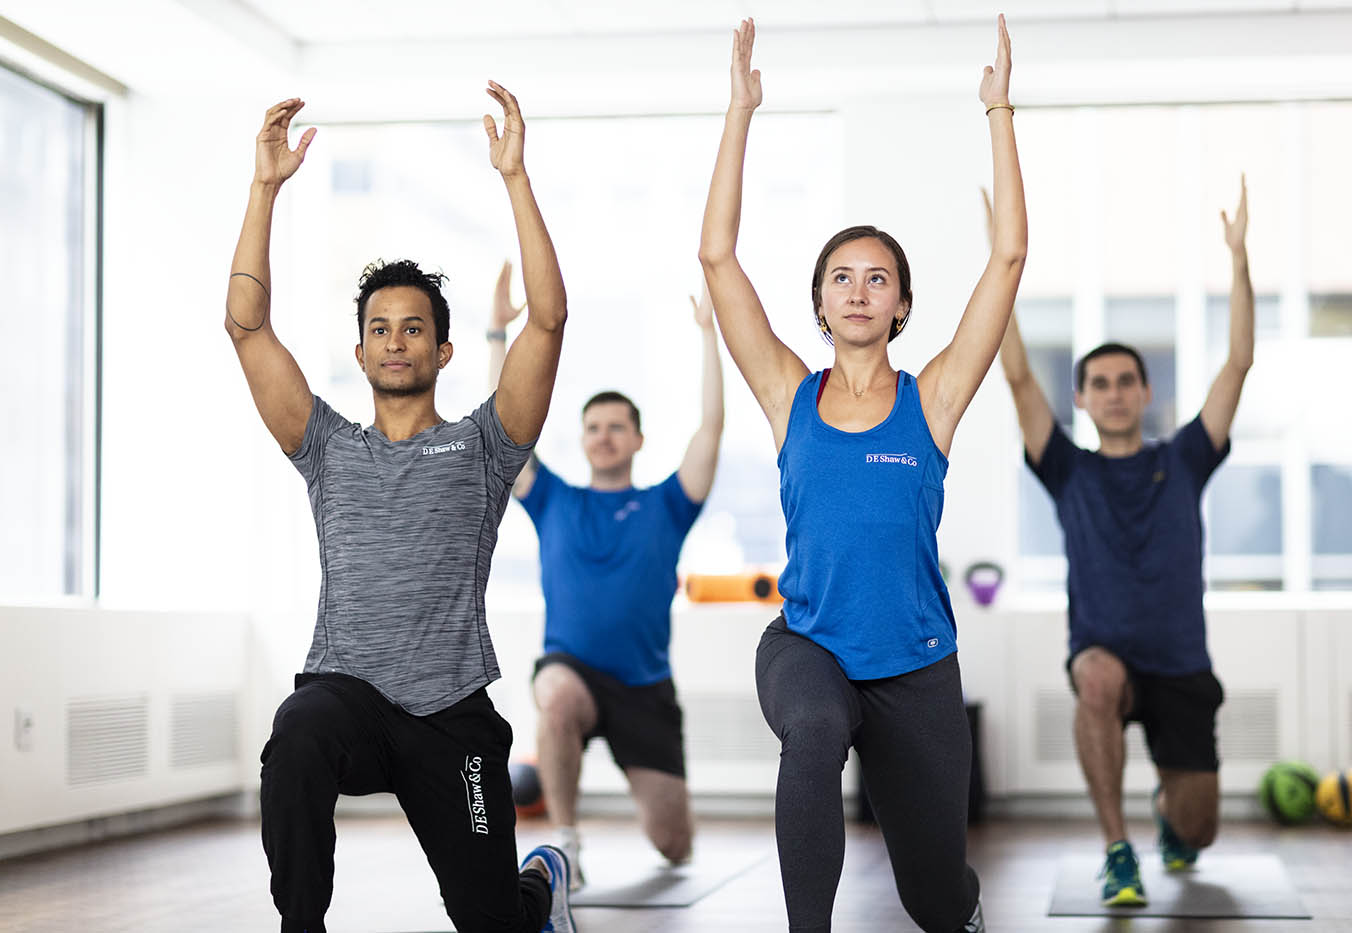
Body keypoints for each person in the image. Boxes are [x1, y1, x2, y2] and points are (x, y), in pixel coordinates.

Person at [699, 17, 1025, 933]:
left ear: (902, 304)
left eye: (876, 278)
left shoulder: (937, 401)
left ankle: (957, 908)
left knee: (932, 895)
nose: (856, 289)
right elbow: (718, 259)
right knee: (812, 736)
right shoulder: (784, 394)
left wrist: (999, 111)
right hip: (809, 644)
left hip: (917, 669)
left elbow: (1007, 260)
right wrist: (740, 112)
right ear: (818, 302)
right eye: (840, 276)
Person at [225, 89, 577, 933]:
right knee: (297, 732)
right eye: (379, 327)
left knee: (493, 922)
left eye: (413, 328)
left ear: (442, 348)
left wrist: (516, 176)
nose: (395, 339)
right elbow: (245, 327)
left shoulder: (487, 445)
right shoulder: (327, 444)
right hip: (346, 692)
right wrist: (265, 188)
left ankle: (538, 889)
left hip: (451, 711)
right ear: (360, 350)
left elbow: (550, 318)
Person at [997, 176, 1253, 906]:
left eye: (1125, 380)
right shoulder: (1067, 468)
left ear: (1145, 393)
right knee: (1098, 678)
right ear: (1080, 397)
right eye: (1098, 382)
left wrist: (1237, 261)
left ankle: (1169, 819)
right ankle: (1117, 850)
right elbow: (1016, 376)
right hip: (1105, 652)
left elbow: (1236, 366)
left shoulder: (1185, 457)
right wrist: (1002, 267)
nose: (1112, 391)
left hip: (1180, 662)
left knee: (1199, 829)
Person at [485, 263, 724, 888]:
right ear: (583, 440)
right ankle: (566, 845)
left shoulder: (667, 504)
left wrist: (708, 335)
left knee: (675, 847)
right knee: (556, 694)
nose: (604, 436)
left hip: (646, 687)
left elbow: (711, 430)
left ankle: (654, 811)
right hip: (575, 670)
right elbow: (505, 429)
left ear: (639, 439)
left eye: (617, 426)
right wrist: (495, 336)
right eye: (594, 427)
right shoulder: (553, 499)